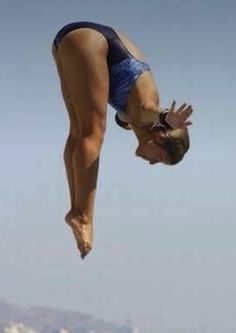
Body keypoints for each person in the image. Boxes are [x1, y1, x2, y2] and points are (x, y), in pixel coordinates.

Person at [52, 21, 193, 259]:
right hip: (94, 41)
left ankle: (78, 210)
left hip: (75, 39)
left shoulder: (133, 121)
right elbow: (149, 107)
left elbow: (124, 115)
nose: (151, 163)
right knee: (92, 132)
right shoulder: (146, 112)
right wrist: (168, 117)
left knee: (79, 132)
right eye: (158, 159)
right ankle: (83, 216)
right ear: (158, 138)